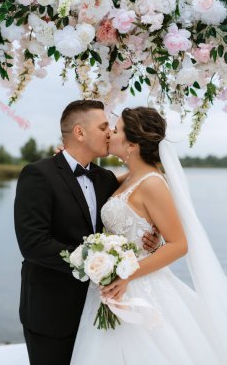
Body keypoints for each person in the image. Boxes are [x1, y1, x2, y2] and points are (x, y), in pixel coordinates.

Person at [71, 106, 227, 365]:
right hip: (113, 285)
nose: (110, 132)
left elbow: (179, 245)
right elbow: (92, 181)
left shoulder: (152, 183)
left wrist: (126, 275)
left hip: (137, 286)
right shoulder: (130, 177)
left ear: (131, 144)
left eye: (117, 129)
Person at [14, 100, 161, 365]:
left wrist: (150, 237)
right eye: (104, 126)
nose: (109, 133)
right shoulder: (37, 174)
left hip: (99, 310)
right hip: (50, 311)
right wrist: (95, 265)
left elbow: (144, 185)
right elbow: (33, 243)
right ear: (80, 133)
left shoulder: (105, 178)